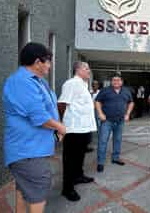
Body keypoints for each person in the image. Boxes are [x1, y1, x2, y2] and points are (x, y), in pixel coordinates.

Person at [3, 42, 66, 213]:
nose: (50, 66)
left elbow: (47, 110)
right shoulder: (22, 82)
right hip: (27, 151)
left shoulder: (37, 81)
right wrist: (60, 127)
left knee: (24, 190)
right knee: (38, 190)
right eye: (48, 61)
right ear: (38, 62)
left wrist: (55, 129)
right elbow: (39, 116)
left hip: (33, 149)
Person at [57, 62, 96, 201]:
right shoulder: (71, 83)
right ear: (77, 70)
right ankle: (67, 189)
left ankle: (78, 176)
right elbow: (61, 104)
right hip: (73, 129)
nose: (89, 71)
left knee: (80, 155)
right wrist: (62, 124)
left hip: (84, 128)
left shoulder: (83, 85)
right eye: (86, 68)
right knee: (70, 159)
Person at [95, 73, 134, 172]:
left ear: (121, 81)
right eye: (114, 80)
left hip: (120, 121)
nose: (116, 82)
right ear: (111, 81)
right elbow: (97, 101)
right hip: (107, 120)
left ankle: (115, 158)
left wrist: (128, 114)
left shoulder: (126, 91)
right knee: (103, 141)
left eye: (118, 80)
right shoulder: (105, 91)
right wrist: (100, 113)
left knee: (117, 140)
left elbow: (131, 102)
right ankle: (100, 162)